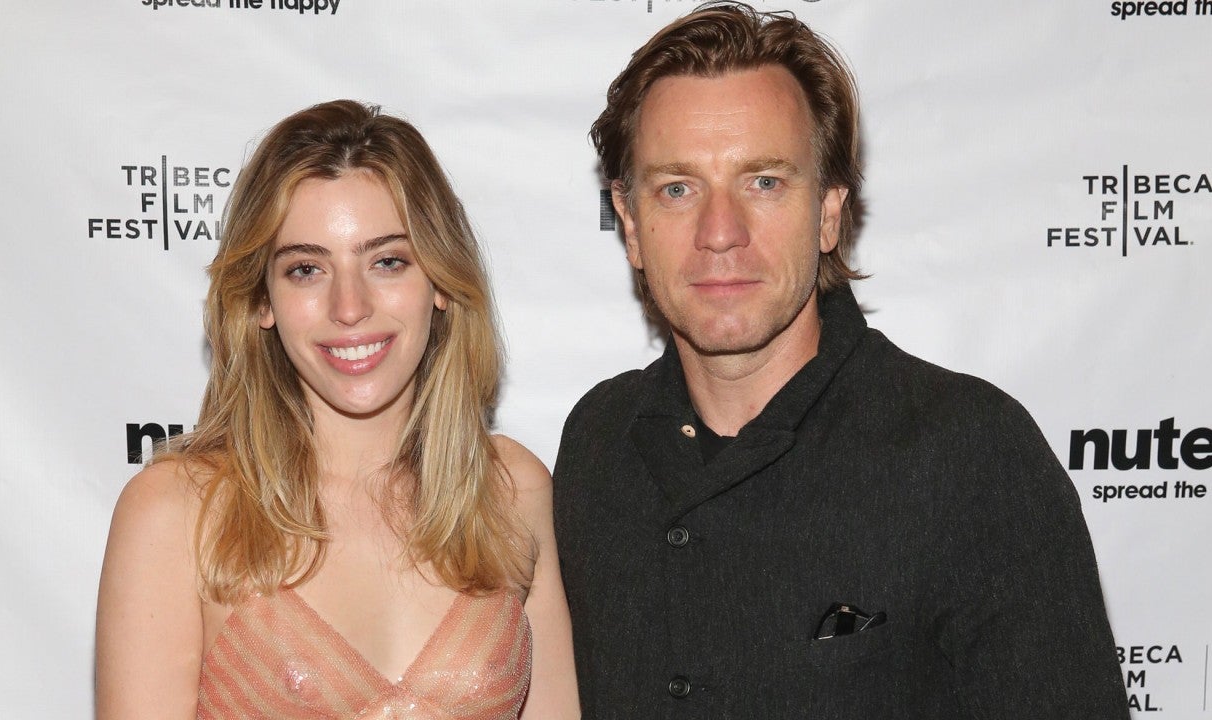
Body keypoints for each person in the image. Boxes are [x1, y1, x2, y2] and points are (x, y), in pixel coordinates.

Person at [552, 3, 1129, 717]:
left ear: (829, 211)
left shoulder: (971, 452)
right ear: (631, 224)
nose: (720, 232)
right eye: (678, 189)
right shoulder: (598, 443)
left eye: (764, 182)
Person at [96, 100, 579, 720]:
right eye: (306, 269)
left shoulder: (511, 491)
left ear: (439, 282)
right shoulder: (176, 512)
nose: (349, 306)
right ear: (261, 301)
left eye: (386, 261)